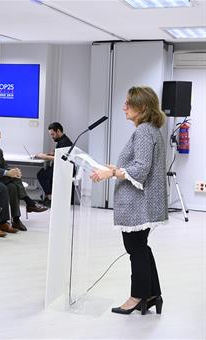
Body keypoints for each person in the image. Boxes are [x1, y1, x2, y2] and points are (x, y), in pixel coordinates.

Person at [91, 86, 167, 315]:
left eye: (128, 103)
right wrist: (117, 169)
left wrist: (112, 173)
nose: (124, 107)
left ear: (142, 107)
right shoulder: (152, 130)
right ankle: (152, 294)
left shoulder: (144, 131)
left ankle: (137, 297)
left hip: (139, 204)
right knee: (140, 247)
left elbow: (142, 168)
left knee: (135, 248)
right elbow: (141, 165)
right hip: (146, 202)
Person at [0, 128, 48, 231]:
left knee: (13, 187)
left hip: (0, 177)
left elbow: (4, 165)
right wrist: (8, 173)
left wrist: (13, 171)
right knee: (13, 179)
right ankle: (29, 203)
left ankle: (15, 219)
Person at [35, 122, 73, 206]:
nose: (52, 137)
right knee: (43, 172)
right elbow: (58, 154)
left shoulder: (64, 142)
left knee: (41, 174)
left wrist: (44, 157)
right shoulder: (62, 140)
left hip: (63, 170)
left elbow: (60, 159)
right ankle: (50, 197)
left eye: (53, 134)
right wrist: (50, 154)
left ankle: (50, 198)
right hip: (60, 168)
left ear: (58, 131)